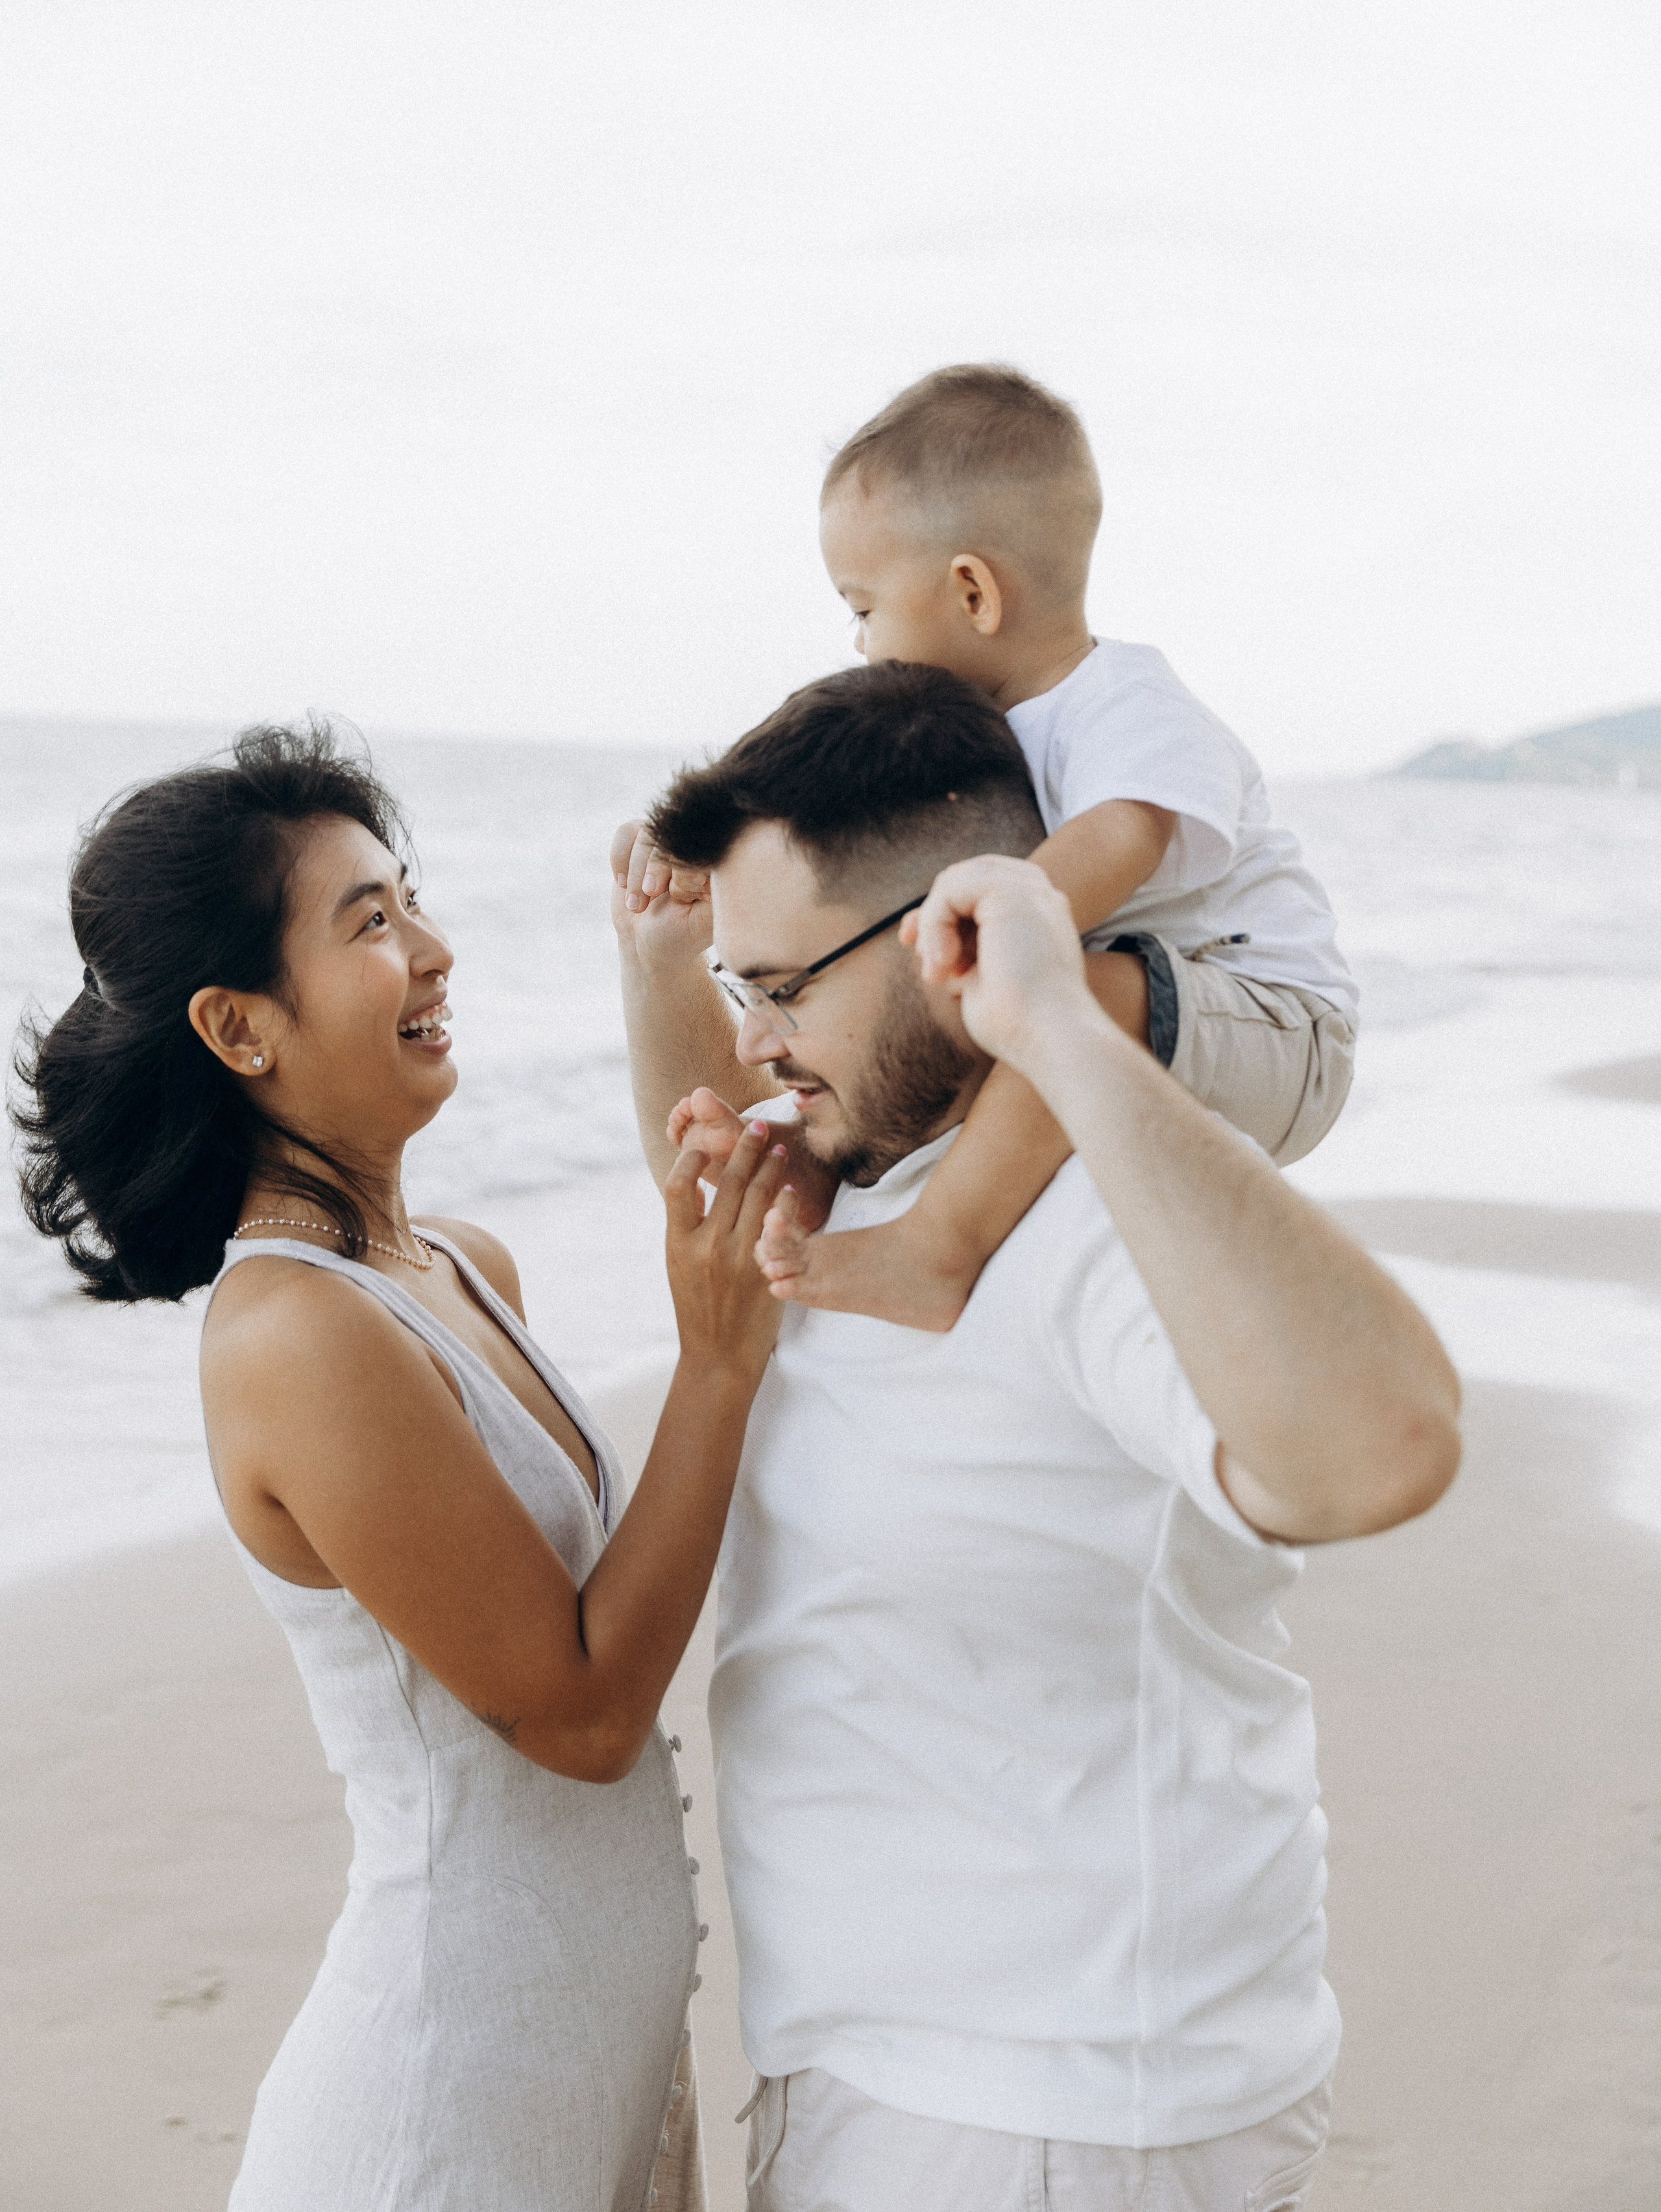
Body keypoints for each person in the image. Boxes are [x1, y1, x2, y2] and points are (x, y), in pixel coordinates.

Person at [612, 662, 1460, 2212]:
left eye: (781, 989)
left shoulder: (1084, 1221)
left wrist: (1059, 1027)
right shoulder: (858, 1182)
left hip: (1049, 2108)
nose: (754, 1046)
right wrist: (664, 963)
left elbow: (1383, 1444)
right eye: (741, 996)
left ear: (952, 934)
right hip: (930, 2081)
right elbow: (708, 1163)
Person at [13, 725, 790, 2212]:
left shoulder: (456, 1266)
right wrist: (714, 1362)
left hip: (587, 2070)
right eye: (370, 922)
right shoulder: (293, 1331)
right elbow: (578, 1715)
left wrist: (666, 966)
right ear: (241, 1029)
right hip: (443, 2112)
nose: (432, 950)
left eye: (412, 897)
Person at [618, 363, 1357, 1330]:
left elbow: (1125, 837)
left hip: (1282, 1028)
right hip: (1165, 1005)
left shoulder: (1124, 701)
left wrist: (969, 920)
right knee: (1022, 1005)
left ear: (970, 590)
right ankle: (802, 1160)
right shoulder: (1001, 736)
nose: (857, 642)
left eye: (864, 607)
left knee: (1068, 992)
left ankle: (936, 1248)